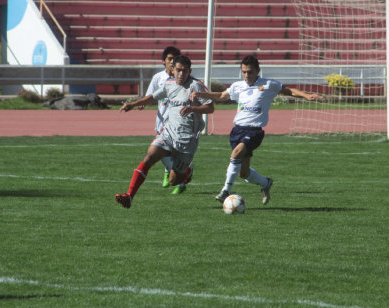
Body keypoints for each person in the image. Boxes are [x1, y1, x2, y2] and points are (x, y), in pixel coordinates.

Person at [190, 55, 322, 205]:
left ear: (258, 71)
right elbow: (221, 96)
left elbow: (288, 91)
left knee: (236, 153)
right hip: (237, 130)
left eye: (250, 72)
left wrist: (307, 96)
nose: (247, 75)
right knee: (243, 173)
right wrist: (201, 94)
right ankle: (266, 183)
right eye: (244, 72)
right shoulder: (237, 86)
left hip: (254, 131)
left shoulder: (268, 84)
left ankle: (226, 190)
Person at [115, 55, 214, 208]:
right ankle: (129, 196)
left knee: (174, 181)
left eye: (185, 71)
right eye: (179, 70)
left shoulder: (196, 85)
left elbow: (210, 107)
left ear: (190, 71)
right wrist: (133, 104)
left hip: (186, 141)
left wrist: (193, 108)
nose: (181, 74)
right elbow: (152, 98)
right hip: (167, 134)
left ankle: (187, 172)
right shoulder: (168, 84)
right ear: (172, 70)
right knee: (148, 158)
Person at [144, 46, 188, 195]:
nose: (172, 62)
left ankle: (179, 179)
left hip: (178, 123)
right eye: (169, 59)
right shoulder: (158, 78)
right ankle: (171, 172)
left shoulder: (184, 79)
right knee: (162, 151)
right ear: (163, 61)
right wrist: (142, 103)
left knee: (164, 150)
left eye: (174, 59)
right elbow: (151, 95)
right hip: (162, 121)